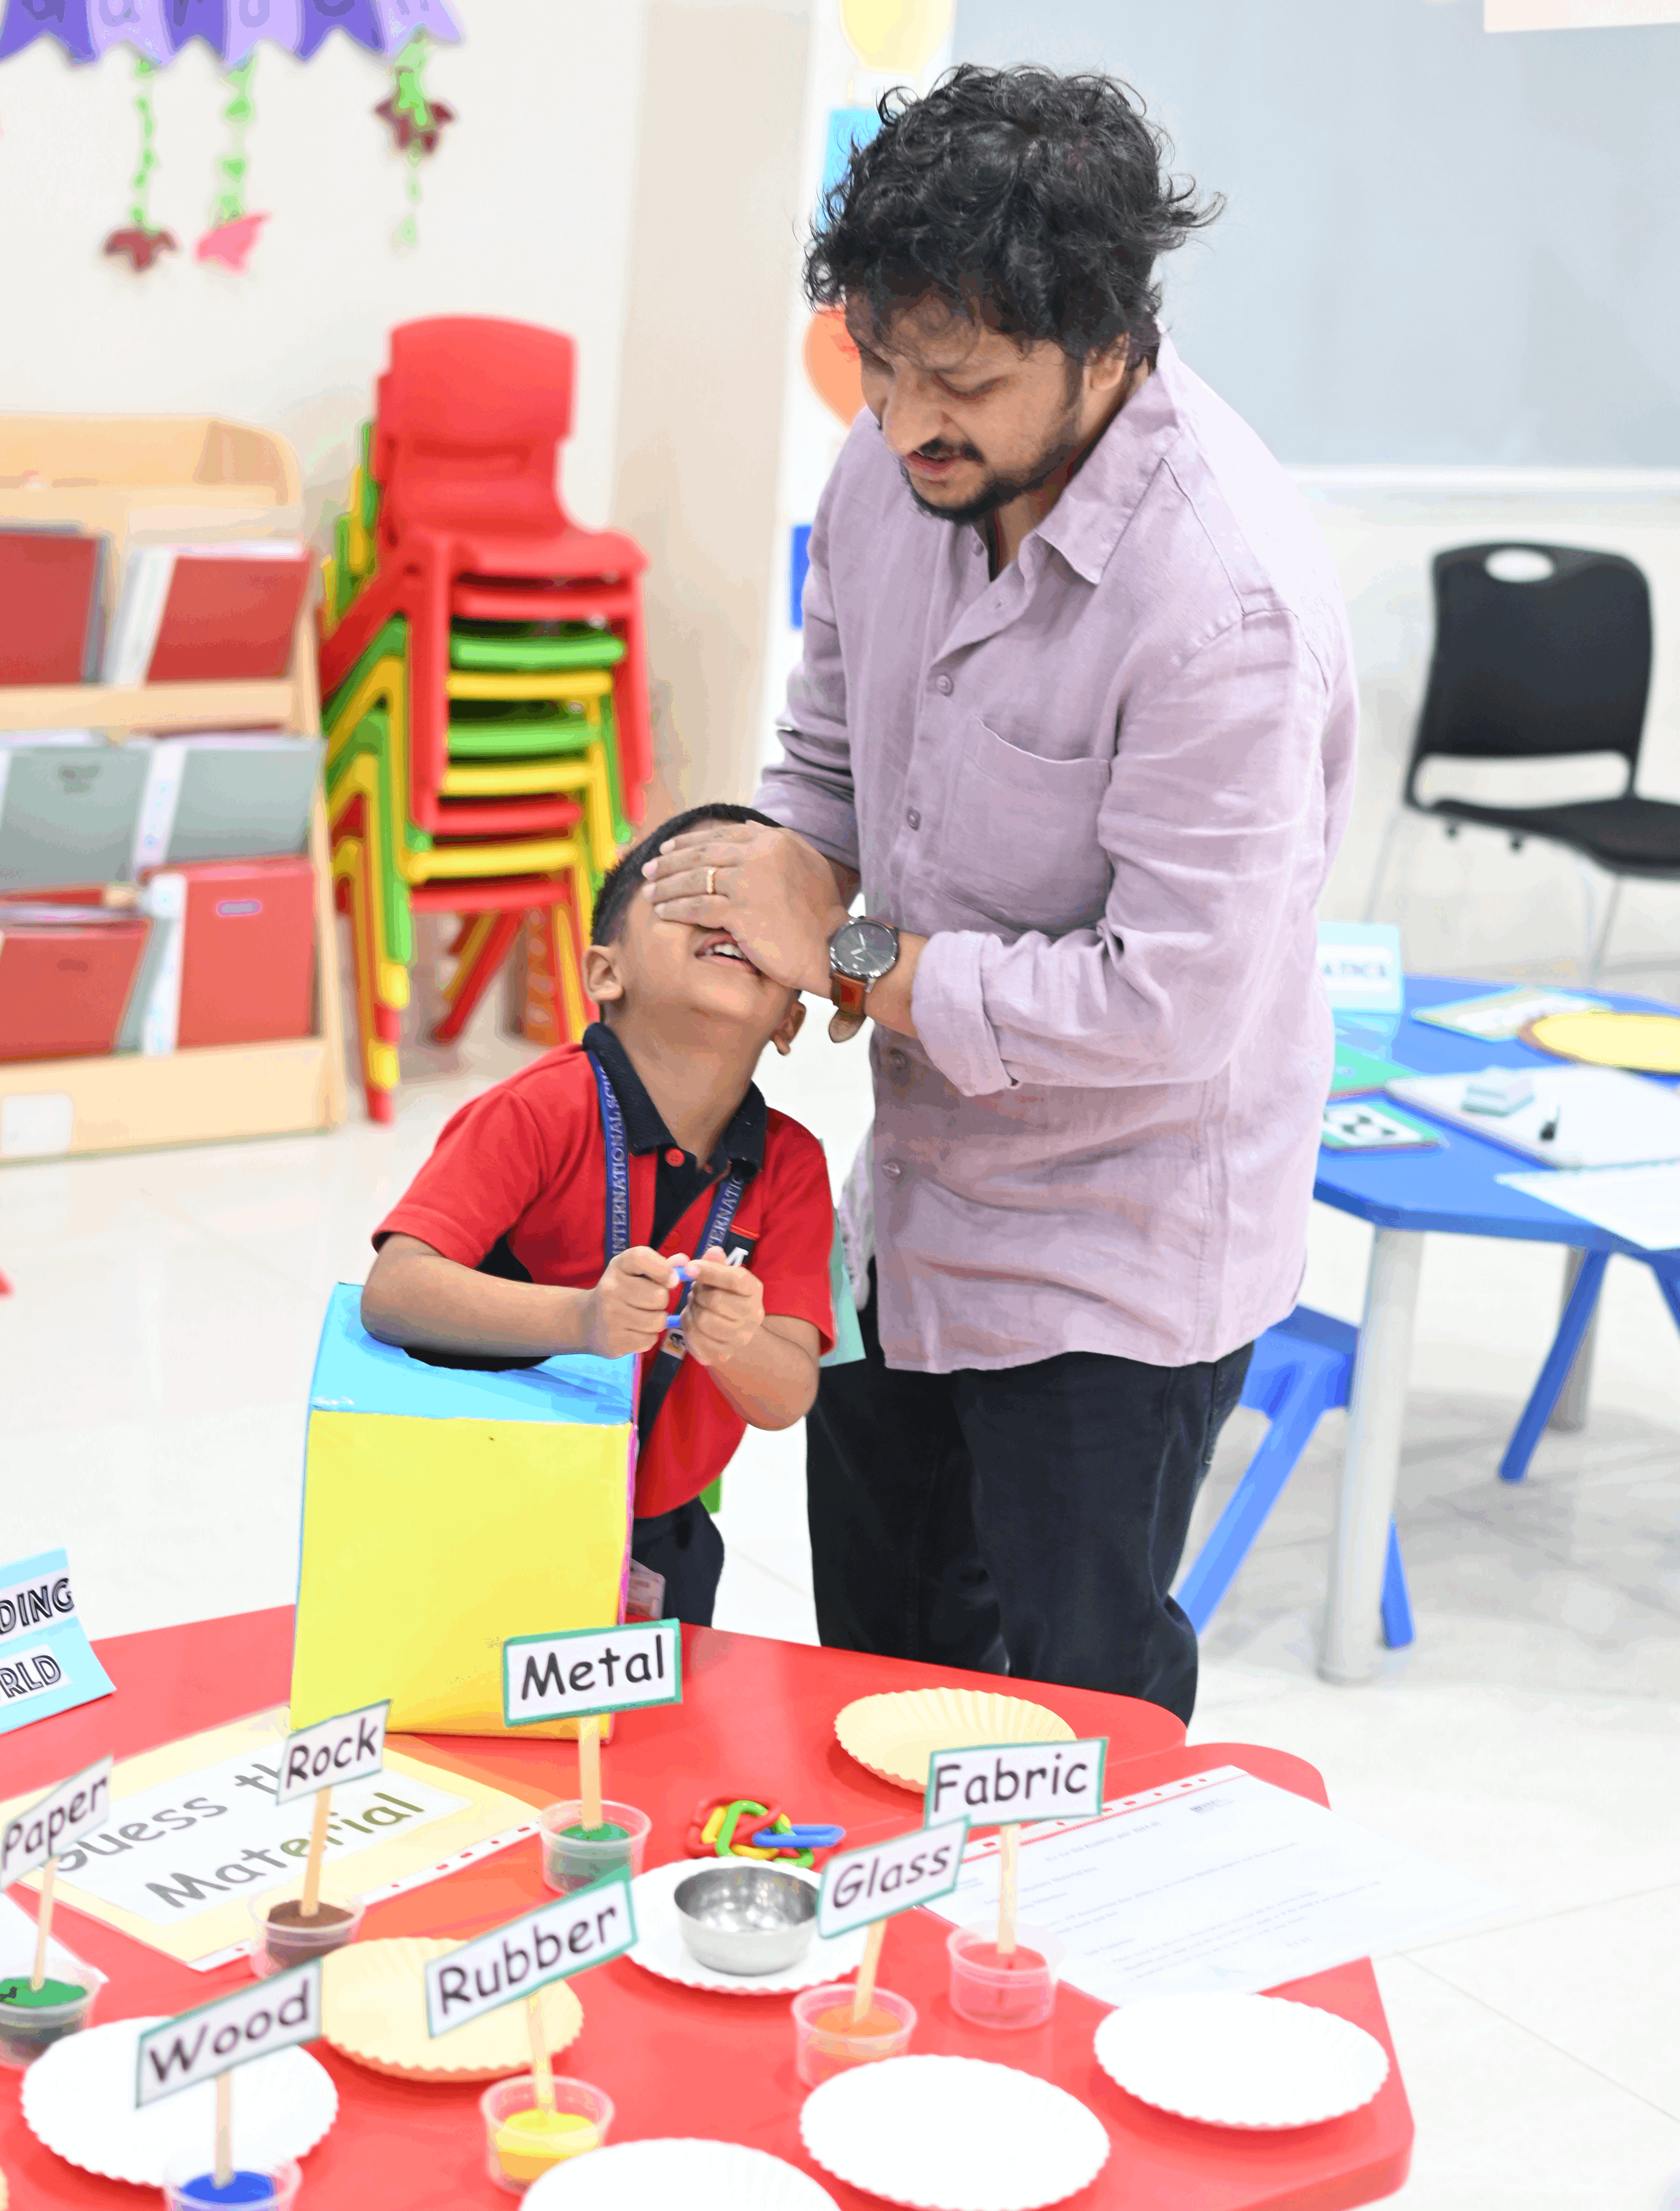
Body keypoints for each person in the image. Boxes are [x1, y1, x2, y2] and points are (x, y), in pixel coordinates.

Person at [637, 67, 1356, 1722]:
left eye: (958, 382)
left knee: (1069, 1710)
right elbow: (825, 755)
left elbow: (1168, 1007)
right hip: (917, 1212)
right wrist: (755, 909)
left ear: (1107, 341)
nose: (904, 426)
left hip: (1118, 1251)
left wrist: (859, 948)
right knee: (880, 1668)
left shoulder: (1220, 603)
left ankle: (1067, 1976)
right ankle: (892, 1977)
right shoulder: (889, 475)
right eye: (880, 370)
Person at [360, 803, 837, 1627]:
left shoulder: (794, 1166)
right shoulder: (536, 1111)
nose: (727, 920)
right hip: (494, 1501)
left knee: (645, 1750)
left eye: (756, 917)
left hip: (665, 1539)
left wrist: (735, 1343)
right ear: (604, 973)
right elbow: (395, 1291)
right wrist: (583, 1317)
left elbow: (788, 1392)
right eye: (692, 899)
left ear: (792, 1017)